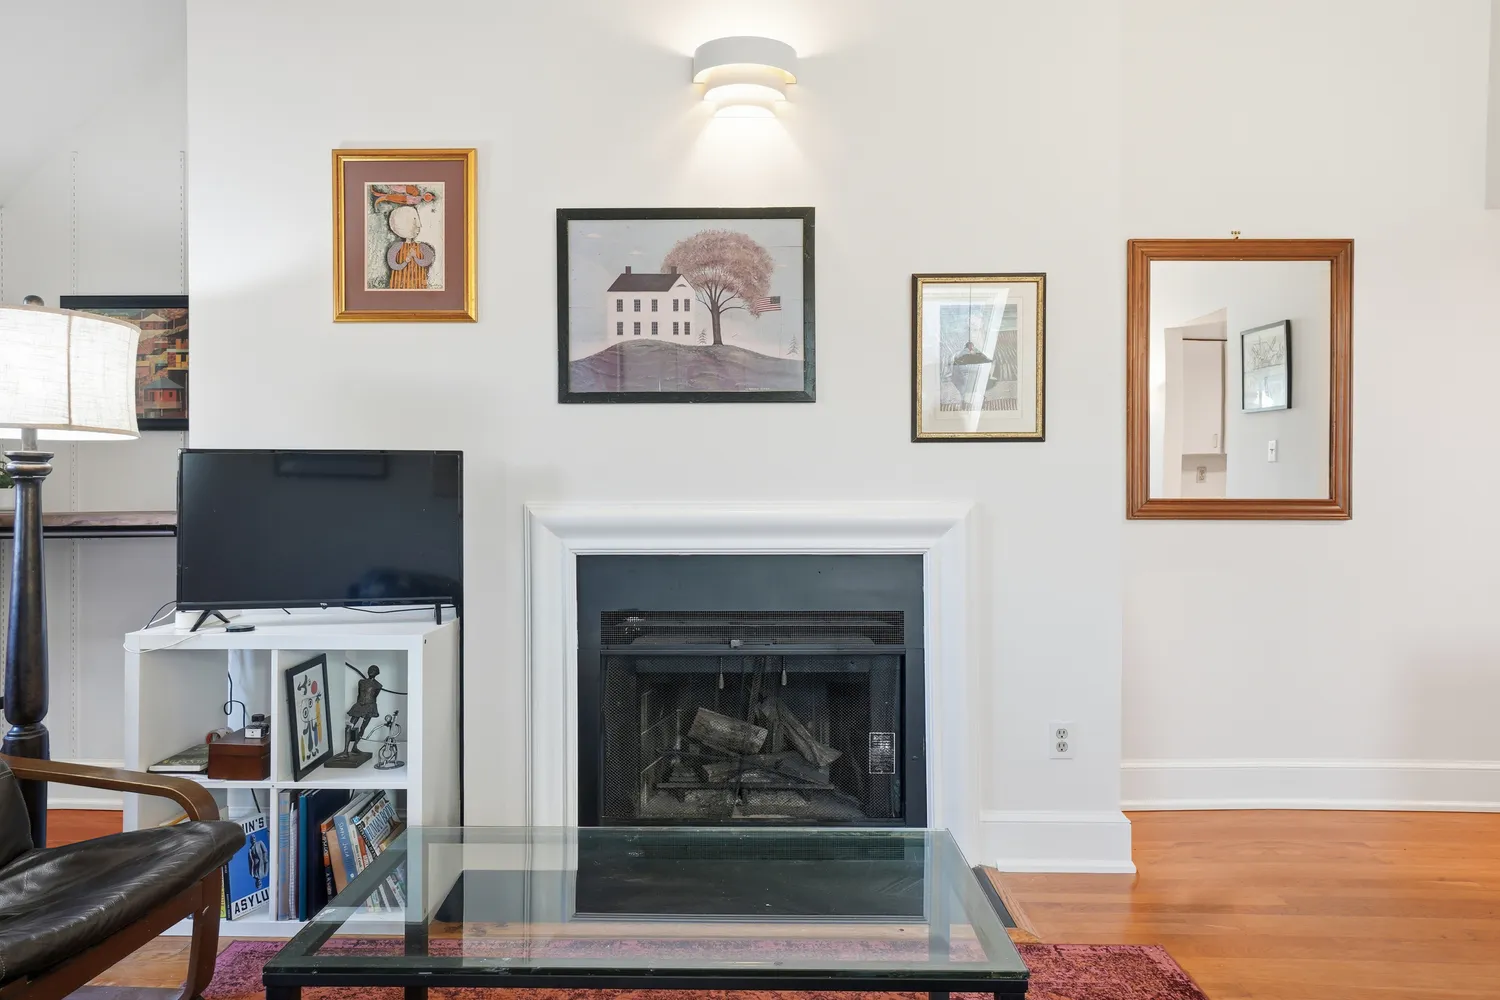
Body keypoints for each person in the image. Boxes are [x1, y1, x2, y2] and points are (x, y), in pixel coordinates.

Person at [385, 205, 436, 289]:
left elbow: (428, 260)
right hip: (400, 284)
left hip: (418, 284)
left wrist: (415, 257)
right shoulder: (396, 247)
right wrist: (405, 261)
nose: (419, 225)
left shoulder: (422, 246)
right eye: (414, 221)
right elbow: (392, 265)